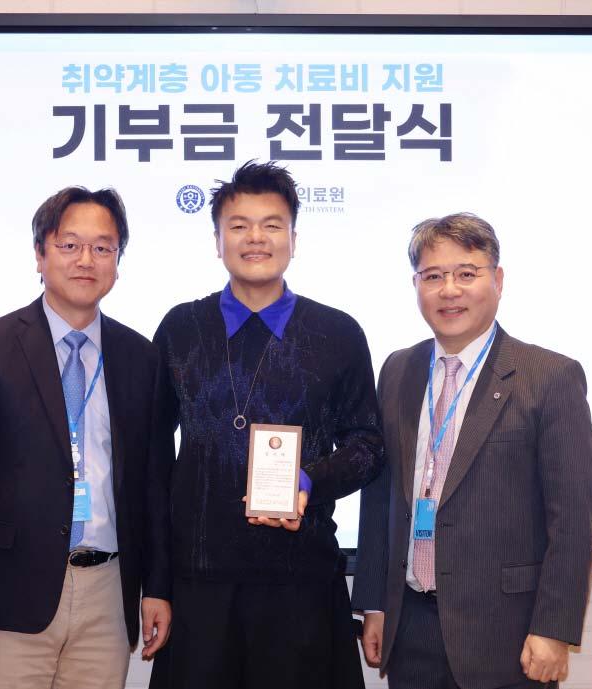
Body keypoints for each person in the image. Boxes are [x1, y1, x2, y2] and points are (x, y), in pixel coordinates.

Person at [148, 161, 384, 689]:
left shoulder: (338, 332)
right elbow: (154, 463)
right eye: (238, 225)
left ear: (293, 240)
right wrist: (155, 584)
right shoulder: (181, 328)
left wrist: (309, 481)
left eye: (272, 225)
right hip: (199, 584)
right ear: (217, 241)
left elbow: (368, 445)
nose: (255, 238)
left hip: (302, 583)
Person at [0, 186, 172, 689]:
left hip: (108, 592)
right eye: (70, 245)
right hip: (10, 593)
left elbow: (153, 484)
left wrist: (157, 587)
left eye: (103, 247)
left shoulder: (140, 358)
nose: (86, 260)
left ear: (117, 262)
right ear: (40, 254)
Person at [352, 213, 592, 689]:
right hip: (410, 627)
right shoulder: (398, 370)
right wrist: (374, 603)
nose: (449, 290)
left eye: (466, 273)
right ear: (416, 285)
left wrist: (554, 629)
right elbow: (381, 497)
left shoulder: (550, 377)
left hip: (506, 634)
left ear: (498, 280)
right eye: (433, 276)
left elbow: (573, 518)